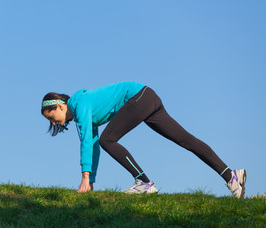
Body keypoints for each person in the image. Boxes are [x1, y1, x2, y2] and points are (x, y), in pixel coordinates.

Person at [41, 81, 246, 198]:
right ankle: (231, 176)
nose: (55, 123)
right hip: (147, 97)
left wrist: (85, 178)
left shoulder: (80, 103)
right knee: (186, 140)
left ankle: (144, 182)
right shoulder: (82, 111)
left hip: (138, 97)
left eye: (52, 118)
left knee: (108, 139)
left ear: (60, 106)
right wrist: (91, 180)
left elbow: (87, 140)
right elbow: (92, 145)